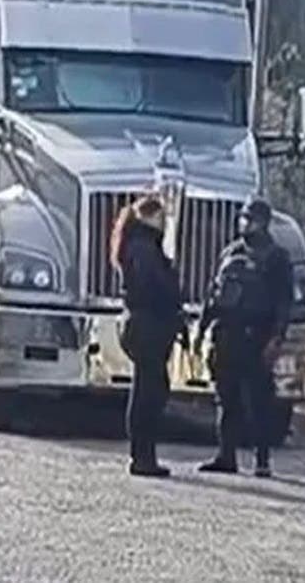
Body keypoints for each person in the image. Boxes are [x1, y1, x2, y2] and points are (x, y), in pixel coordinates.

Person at [195, 198, 294, 478]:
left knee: (259, 402)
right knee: (226, 400)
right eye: (243, 218)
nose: (245, 224)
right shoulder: (231, 252)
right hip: (227, 334)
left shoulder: (276, 257)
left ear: (263, 222)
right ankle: (226, 455)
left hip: (257, 336)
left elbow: (283, 302)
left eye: (251, 219)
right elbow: (214, 293)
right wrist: (201, 330)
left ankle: (261, 460)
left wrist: (276, 338)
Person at [111, 195, 186, 477]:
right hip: (147, 326)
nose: (164, 222)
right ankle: (142, 456)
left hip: (144, 325)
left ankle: (142, 454)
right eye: (161, 216)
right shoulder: (143, 248)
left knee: (149, 388)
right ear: (151, 217)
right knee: (148, 393)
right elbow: (153, 287)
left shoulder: (140, 245)